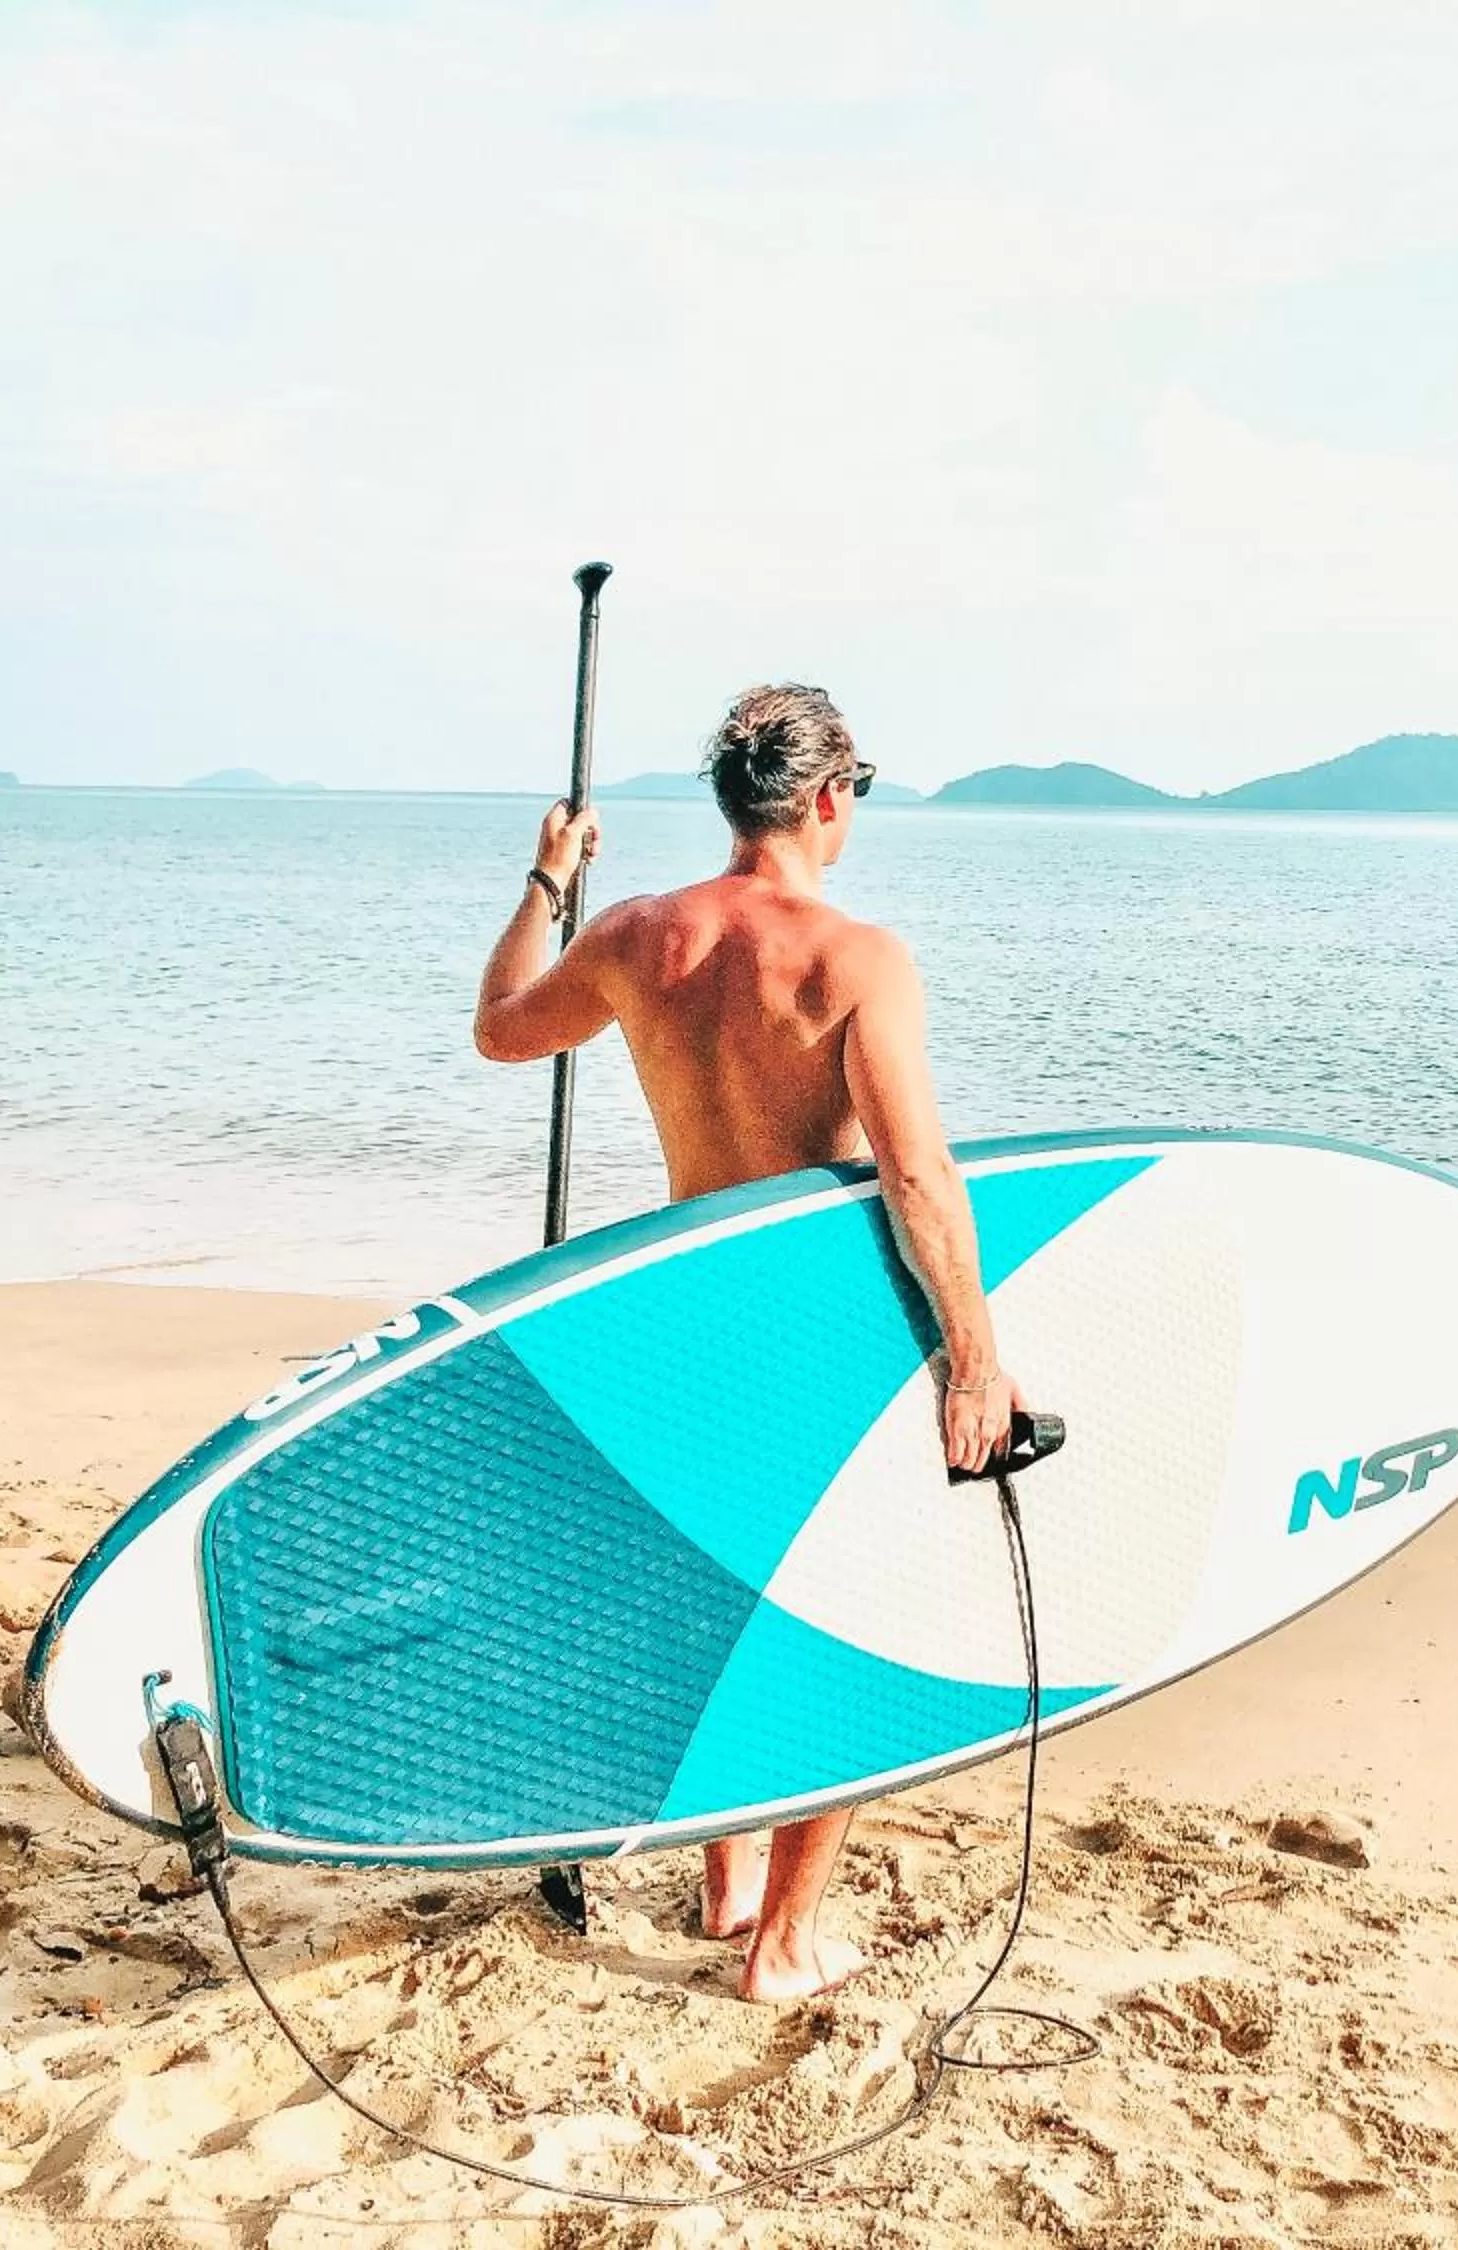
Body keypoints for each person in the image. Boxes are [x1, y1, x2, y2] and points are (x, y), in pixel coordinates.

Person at [471, 681, 1026, 2003]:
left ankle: (724, 1883)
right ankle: (783, 1941)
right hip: (811, 1327)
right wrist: (977, 1357)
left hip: (679, 1315)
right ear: (829, 799)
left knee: (708, 1600)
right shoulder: (858, 961)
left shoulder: (634, 936)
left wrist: (548, 880)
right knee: (844, 1623)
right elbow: (917, 1178)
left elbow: (500, 1030)